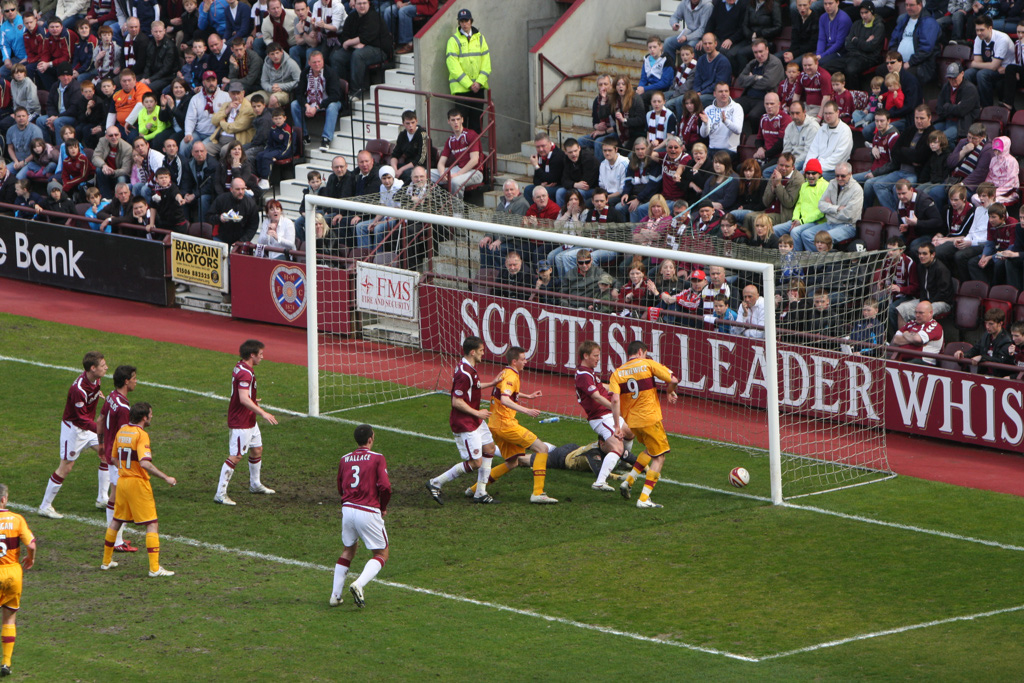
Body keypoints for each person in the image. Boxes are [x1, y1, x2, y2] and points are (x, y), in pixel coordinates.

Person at [100, 402, 177, 577]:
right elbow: (144, 462)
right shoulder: (141, 435)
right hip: (137, 483)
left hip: (122, 482)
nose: (152, 416)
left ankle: (106, 562)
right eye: (150, 414)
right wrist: (166, 477)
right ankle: (155, 568)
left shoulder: (121, 431)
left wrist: (125, 470)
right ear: (144, 417)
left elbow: (112, 458)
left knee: (117, 520)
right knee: (151, 523)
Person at [425, 336, 500, 505]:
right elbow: (456, 401)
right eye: (481, 350)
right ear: (472, 352)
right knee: (475, 462)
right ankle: (435, 482)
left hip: (474, 419)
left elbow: (475, 386)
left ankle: (480, 492)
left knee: (489, 448)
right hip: (465, 423)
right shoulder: (464, 374)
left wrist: (493, 383)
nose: (483, 353)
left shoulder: (469, 367)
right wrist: (478, 413)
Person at [476, 347, 557, 504]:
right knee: (542, 449)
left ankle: (475, 489)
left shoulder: (507, 373)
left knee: (513, 462)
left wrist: (529, 396)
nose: (526, 361)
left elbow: (506, 394)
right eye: (523, 359)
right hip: (505, 425)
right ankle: (538, 493)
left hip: (495, 424)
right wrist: (527, 410)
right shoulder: (511, 376)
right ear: (515, 361)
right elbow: (506, 399)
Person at [608, 340, 680, 509]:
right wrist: (670, 391)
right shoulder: (647, 364)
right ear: (641, 352)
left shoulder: (617, 373)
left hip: (633, 422)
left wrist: (617, 426)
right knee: (660, 456)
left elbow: (615, 399)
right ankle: (644, 498)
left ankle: (629, 480)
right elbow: (673, 379)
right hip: (650, 419)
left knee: (650, 449)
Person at [38, 352, 108, 519]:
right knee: (66, 467)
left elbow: (89, 407)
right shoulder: (78, 390)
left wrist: (97, 395)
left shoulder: (96, 380)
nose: (106, 367)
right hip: (74, 430)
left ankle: (102, 498)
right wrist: (100, 429)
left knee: (106, 453)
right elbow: (81, 419)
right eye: (103, 365)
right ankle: (45, 506)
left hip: (88, 426)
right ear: (93, 368)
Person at [330, 424, 391, 608]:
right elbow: (385, 486)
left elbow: (340, 486)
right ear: (371, 439)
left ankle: (335, 596)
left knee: (348, 549)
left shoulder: (344, 459)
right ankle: (359, 584)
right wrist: (383, 506)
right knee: (381, 553)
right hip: (368, 510)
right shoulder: (377, 458)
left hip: (347, 510)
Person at [214, 340, 278, 506]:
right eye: (260, 354)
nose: (262, 357)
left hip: (249, 418)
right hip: (241, 421)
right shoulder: (245, 373)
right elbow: (243, 399)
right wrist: (263, 412)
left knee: (257, 449)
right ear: (252, 355)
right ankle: (220, 494)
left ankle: (255, 484)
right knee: (235, 456)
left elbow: (242, 394)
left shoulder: (241, 366)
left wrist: (253, 399)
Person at [575, 341, 635, 492]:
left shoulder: (588, 372)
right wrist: (614, 408)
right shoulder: (583, 375)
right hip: (600, 417)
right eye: (595, 356)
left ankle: (622, 462)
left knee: (630, 430)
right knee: (617, 446)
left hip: (607, 413)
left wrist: (620, 386)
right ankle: (600, 482)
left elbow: (601, 387)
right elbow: (596, 396)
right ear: (585, 355)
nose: (598, 359)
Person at [97, 364, 138, 553]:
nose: (136, 381)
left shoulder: (112, 396)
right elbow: (124, 437)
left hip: (109, 451)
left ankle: (116, 538)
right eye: (134, 378)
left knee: (117, 496)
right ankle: (116, 540)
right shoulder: (122, 406)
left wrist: (101, 444)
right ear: (126, 381)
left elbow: (100, 419)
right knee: (117, 497)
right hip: (116, 458)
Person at [0, 483, 36, 679]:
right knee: (9, 617)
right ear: (4, 499)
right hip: (13, 572)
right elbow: (31, 543)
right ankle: (6, 661)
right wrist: (30, 558)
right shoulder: (17, 519)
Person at [332, 0, 388, 100]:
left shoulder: (374, 16)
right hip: (356, 48)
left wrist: (348, 43)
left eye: (364, 3)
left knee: (358, 55)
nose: (362, 6)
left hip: (378, 49)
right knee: (337, 57)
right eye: (359, 3)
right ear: (355, 5)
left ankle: (356, 92)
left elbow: (365, 38)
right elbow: (345, 35)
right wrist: (354, 44)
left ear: (369, 4)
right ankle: (341, 90)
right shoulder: (352, 17)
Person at [445, 8, 488, 132]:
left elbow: (486, 63)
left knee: (476, 124)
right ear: (459, 23)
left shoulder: (480, 38)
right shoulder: (453, 40)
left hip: (478, 89)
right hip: (462, 90)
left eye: (466, 20)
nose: (464, 24)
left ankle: (475, 150)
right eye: (462, 21)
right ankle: (464, 150)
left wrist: (479, 82)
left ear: (471, 21)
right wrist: (469, 84)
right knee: (461, 126)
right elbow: (453, 66)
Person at [290, 49, 343, 151]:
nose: (317, 64)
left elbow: (335, 96)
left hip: (327, 102)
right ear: (309, 63)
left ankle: (326, 138)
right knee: (294, 105)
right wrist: (306, 105)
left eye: (319, 61)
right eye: (314, 62)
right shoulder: (305, 73)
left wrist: (318, 106)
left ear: (323, 61)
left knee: (332, 106)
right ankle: (304, 135)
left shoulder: (330, 73)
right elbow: (299, 93)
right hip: (310, 103)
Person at [431, 108, 482, 198]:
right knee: (425, 173)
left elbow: (474, 160)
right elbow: (441, 162)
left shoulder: (471, 134)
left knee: (454, 182)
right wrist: (442, 173)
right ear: (448, 121)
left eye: (458, 119)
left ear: (462, 120)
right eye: (453, 120)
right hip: (457, 169)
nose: (456, 122)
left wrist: (458, 174)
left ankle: (457, 212)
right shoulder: (450, 140)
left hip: (474, 172)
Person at [954, 307, 1013, 373]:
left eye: (991, 324)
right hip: (983, 375)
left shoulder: (1007, 341)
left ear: (1000, 323)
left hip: (998, 377)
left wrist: (983, 358)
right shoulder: (986, 335)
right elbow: (975, 350)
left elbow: (1000, 360)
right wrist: (963, 355)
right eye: (986, 323)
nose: (987, 327)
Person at [206, 177, 260, 244]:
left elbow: (253, 226)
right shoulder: (221, 199)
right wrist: (219, 218)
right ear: (231, 189)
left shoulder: (250, 204)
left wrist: (242, 241)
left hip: (241, 239)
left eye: (243, 189)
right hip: (221, 237)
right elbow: (209, 217)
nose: (241, 192)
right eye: (237, 189)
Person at [699, 81, 742, 158]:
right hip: (712, 149)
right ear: (714, 94)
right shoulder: (708, 109)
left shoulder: (736, 107)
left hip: (729, 150)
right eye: (720, 91)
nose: (724, 94)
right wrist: (705, 124)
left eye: (726, 91)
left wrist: (726, 121)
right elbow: (703, 134)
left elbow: (738, 130)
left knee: (716, 163)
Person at [892, 300, 943, 364]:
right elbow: (896, 339)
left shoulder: (935, 326)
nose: (917, 315)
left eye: (921, 313)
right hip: (902, 358)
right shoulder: (911, 323)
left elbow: (917, 339)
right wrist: (912, 338)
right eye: (916, 312)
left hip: (923, 361)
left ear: (930, 313)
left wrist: (905, 334)